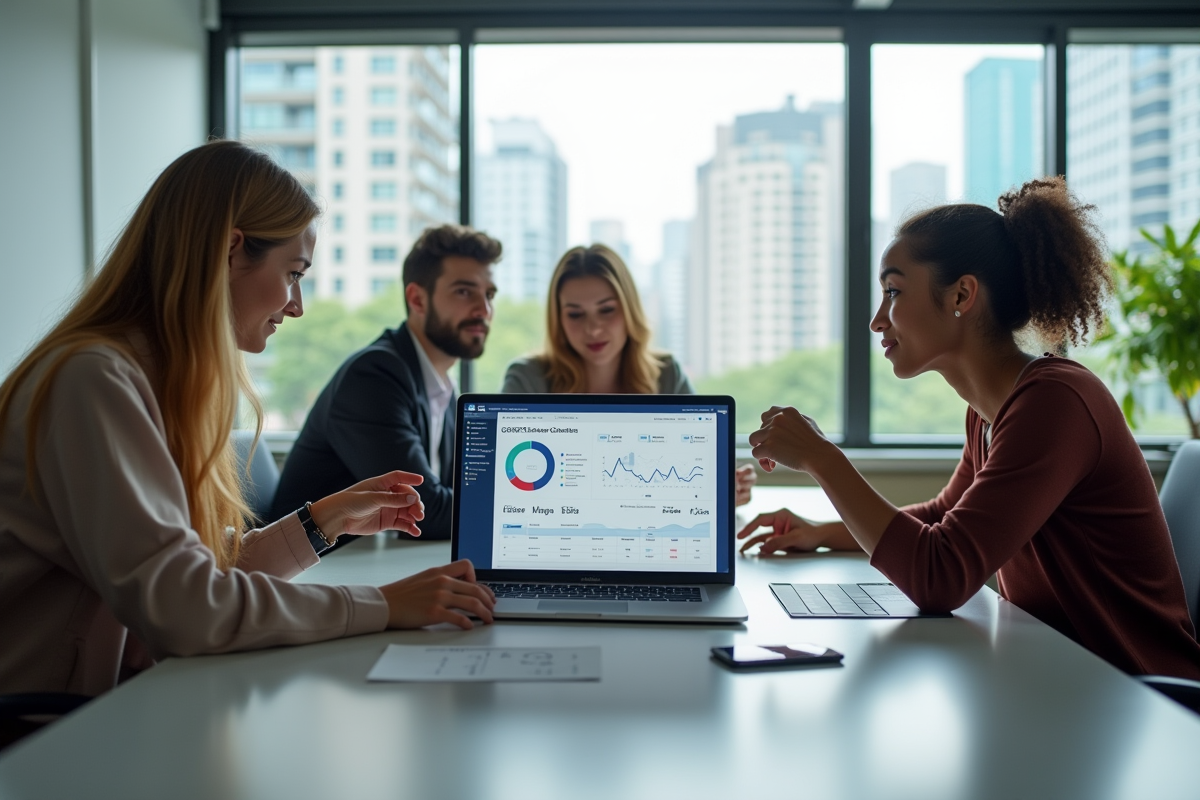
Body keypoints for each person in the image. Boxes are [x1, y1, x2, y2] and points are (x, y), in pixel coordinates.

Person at [0, 141, 496, 700]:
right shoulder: (93, 382)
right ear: (232, 252)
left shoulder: (147, 378)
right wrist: (382, 605)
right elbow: (185, 607)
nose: (296, 304)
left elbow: (198, 572)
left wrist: (323, 519)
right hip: (41, 729)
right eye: (293, 272)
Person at [738, 177, 1200, 679]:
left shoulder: (1056, 403)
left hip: (1139, 698)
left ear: (962, 294)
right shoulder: (989, 411)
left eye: (893, 291)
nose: (876, 320)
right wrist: (821, 532)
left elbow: (941, 576)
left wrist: (823, 459)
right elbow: (946, 516)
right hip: (1063, 681)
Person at [271, 225, 502, 541]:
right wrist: (524, 509)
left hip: (366, 564)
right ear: (417, 299)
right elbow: (425, 510)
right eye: (464, 291)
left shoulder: (444, 390)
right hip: (307, 569)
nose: (484, 310)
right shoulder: (375, 376)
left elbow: (456, 496)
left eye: (489, 295)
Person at [503, 244, 755, 505]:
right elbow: (508, 483)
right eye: (575, 314)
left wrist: (723, 492)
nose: (593, 329)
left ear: (630, 309)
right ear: (558, 320)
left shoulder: (666, 375)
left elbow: (695, 475)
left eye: (607, 310)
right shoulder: (526, 378)